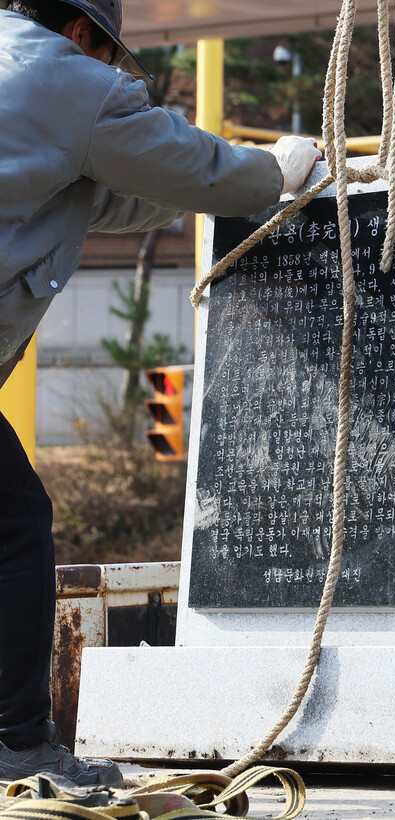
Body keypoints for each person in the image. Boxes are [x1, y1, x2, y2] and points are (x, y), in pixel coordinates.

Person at [0, 0, 321, 787]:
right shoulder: (72, 80)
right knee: (13, 527)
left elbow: (108, 193)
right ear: (84, 34)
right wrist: (271, 173)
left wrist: (223, 193)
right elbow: (189, 164)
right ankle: (16, 742)